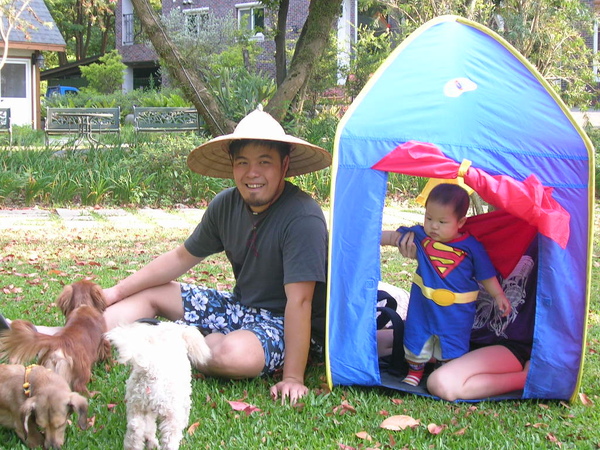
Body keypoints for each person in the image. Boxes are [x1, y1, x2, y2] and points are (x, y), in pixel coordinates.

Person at [8, 108, 332, 405]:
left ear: (284, 165)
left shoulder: (302, 216)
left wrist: (292, 378)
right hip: (240, 309)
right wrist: (114, 292)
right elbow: (181, 257)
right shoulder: (226, 205)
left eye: (264, 161)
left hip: (284, 323)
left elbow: (300, 303)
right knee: (154, 292)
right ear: (232, 166)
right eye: (242, 162)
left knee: (232, 356)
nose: (252, 172)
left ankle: (152, 337)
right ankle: (59, 338)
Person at [380, 183, 511, 387]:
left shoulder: (471, 247)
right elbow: (392, 237)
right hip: (423, 307)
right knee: (417, 338)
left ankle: (445, 371)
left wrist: (498, 296)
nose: (433, 226)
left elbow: (486, 274)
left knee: (452, 343)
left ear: (461, 222)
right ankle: (415, 371)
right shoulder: (420, 236)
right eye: (429, 218)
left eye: (442, 221)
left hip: (457, 312)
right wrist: (370, 238)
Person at [391, 231, 536, 401]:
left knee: (441, 384)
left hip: (505, 344)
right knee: (373, 341)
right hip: (456, 331)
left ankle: (526, 377)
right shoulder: (467, 230)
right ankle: (430, 360)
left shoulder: (541, 241)